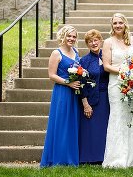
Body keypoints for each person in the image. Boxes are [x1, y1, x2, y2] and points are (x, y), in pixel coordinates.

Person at [102, 13, 133, 168]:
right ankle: (117, 157)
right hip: (116, 84)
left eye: (120, 23)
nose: (118, 25)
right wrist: (123, 71)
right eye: (115, 23)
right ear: (112, 25)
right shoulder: (107, 42)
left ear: (125, 24)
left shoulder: (132, 40)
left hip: (132, 83)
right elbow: (106, 66)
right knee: (118, 117)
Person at [40, 25, 81, 167]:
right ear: (63, 36)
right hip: (62, 92)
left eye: (74, 36)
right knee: (61, 124)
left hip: (74, 93)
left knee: (71, 124)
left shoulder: (76, 52)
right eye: (69, 36)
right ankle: (57, 158)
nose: (71, 39)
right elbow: (51, 75)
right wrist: (68, 83)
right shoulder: (56, 53)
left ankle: (70, 158)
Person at [77, 29, 110, 164]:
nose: (93, 43)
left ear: (101, 41)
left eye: (96, 40)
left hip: (107, 98)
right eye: (90, 41)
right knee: (91, 130)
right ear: (87, 44)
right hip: (91, 99)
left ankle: (105, 156)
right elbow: (81, 84)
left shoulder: (108, 56)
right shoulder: (84, 61)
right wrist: (85, 103)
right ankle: (89, 157)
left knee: (105, 128)